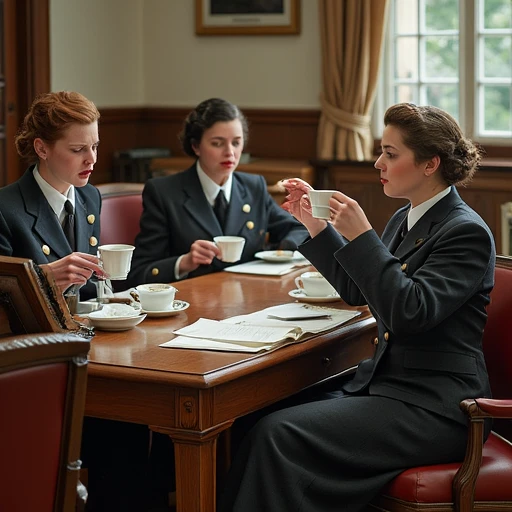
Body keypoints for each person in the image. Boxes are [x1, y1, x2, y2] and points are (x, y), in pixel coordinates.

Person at [217, 103, 495, 512]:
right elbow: (357, 288)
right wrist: (317, 226)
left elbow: (410, 313)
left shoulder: (465, 231)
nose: (378, 162)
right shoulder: (407, 216)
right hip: (391, 387)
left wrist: (363, 234)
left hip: (437, 408)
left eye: (391, 153)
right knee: (250, 419)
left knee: (278, 433)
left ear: (430, 163)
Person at [0, 91, 153, 511]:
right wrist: (43, 278)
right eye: (78, 149)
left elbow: (87, 291)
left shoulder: (89, 197)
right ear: (42, 148)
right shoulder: (5, 208)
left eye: (95, 146)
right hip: (34, 363)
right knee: (121, 435)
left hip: (93, 348)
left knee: (138, 430)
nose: (91, 159)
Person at [126, 97, 308, 288]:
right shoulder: (164, 192)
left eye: (236, 143)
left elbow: (298, 228)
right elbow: (139, 272)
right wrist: (184, 262)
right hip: (192, 302)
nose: (230, 152)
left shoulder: (253, 186)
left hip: (249, 297)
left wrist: (281, 251)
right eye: (217, 143)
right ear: (196, 146)